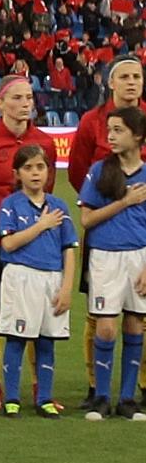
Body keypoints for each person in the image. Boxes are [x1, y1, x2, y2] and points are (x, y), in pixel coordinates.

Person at [0, 73, 53, 411]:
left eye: (29, 98)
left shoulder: (43, 142)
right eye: (16, 98)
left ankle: (36, 386)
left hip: (36, 243)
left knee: (36, 312)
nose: (24, 104)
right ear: (0, 102)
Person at [66, 54, 142, 404]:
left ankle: (136, 388)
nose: (131, 83)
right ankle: (96, 386)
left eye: (137, 77)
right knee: (101, 315)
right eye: (124, 76)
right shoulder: (91, 122)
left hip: (140, 240)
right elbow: (79, 170)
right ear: (110, 83)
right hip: (105, 239)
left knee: (136, 318)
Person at [0, 144, 77, 418]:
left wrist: (67, 287)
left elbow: (69, 249)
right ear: (17, 173)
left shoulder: (59, 206)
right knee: (17, 338)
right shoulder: (10, 205)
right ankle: (12, 398)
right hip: (20, 276)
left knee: (47, 340)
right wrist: (40, 226)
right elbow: (8, 244)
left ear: (48, 172)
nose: (35, 173)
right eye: (28, 168)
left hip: (52, 278)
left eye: (40, 167)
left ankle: (44, 398)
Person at [76, 106, 146, 420]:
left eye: (118, 130)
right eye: (110, 130)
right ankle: (102, 397)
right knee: (105, 329)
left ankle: (127, 400)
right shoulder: (100, 171)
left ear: (138, 136)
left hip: (140, 258)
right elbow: (87, 219)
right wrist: (124, 202)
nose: (111, 136)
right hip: (105, 258)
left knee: (135, 325)